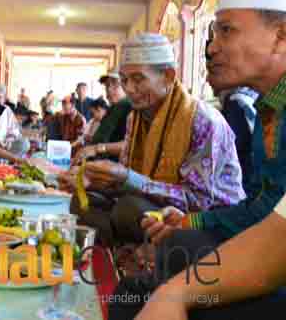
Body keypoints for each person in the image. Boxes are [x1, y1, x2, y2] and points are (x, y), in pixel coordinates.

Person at [110, 0, 286, 320]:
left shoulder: (203, 118)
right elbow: (261, 208)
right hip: (260, 240)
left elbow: (271, 234)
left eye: (226, 31)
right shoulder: (269, 110)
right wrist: (190, 221)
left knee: (175, 250)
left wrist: (178, 292)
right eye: (212, 33)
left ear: (280, 37)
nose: (212, 48)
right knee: (130, 293)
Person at [62, 33, 244, 246]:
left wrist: (128, 178)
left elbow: (199, 201)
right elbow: (130, 182)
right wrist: (94, 182)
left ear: (168, 75)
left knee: (129, 209)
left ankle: (140, 260)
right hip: (154, 208)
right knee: (84, 201)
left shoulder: (203, 120)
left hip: (206, 224)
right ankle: (121, 257)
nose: (129, 88)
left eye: (138, 79)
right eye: (124, 80)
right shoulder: (135, 118)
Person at [74, 72, 132, 162]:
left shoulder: (128, 106)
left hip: (112, 167)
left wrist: (97, 148)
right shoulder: (113, 108)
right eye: (107, 86)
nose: (109, 89)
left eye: (115, 85)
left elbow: (132, 145)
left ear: (126, 86)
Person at [0, 83, 30, 156]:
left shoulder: (7, 110)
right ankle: (2, 159)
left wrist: (9, 140)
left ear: (4, 99)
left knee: (24, 143)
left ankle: (3, 158)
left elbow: (14, 130)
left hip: (3, 146)